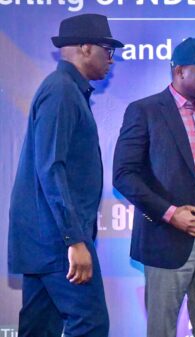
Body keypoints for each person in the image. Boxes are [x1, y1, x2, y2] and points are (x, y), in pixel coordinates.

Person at [112, 37, 195, 337]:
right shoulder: (145, 110)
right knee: (162, 330)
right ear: (179, 71)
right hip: (165, 236)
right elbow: (124, 174)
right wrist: (171, 213)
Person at [8, 14, 124, 337]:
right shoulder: (61, 91)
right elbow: (50, 168)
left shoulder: (66, 90)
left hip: (46, 240)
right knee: (90, 322)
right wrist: (74, 240)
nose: (111, 60)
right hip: (57, 242)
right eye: (107, 49)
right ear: (85, 48)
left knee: (39, 330)